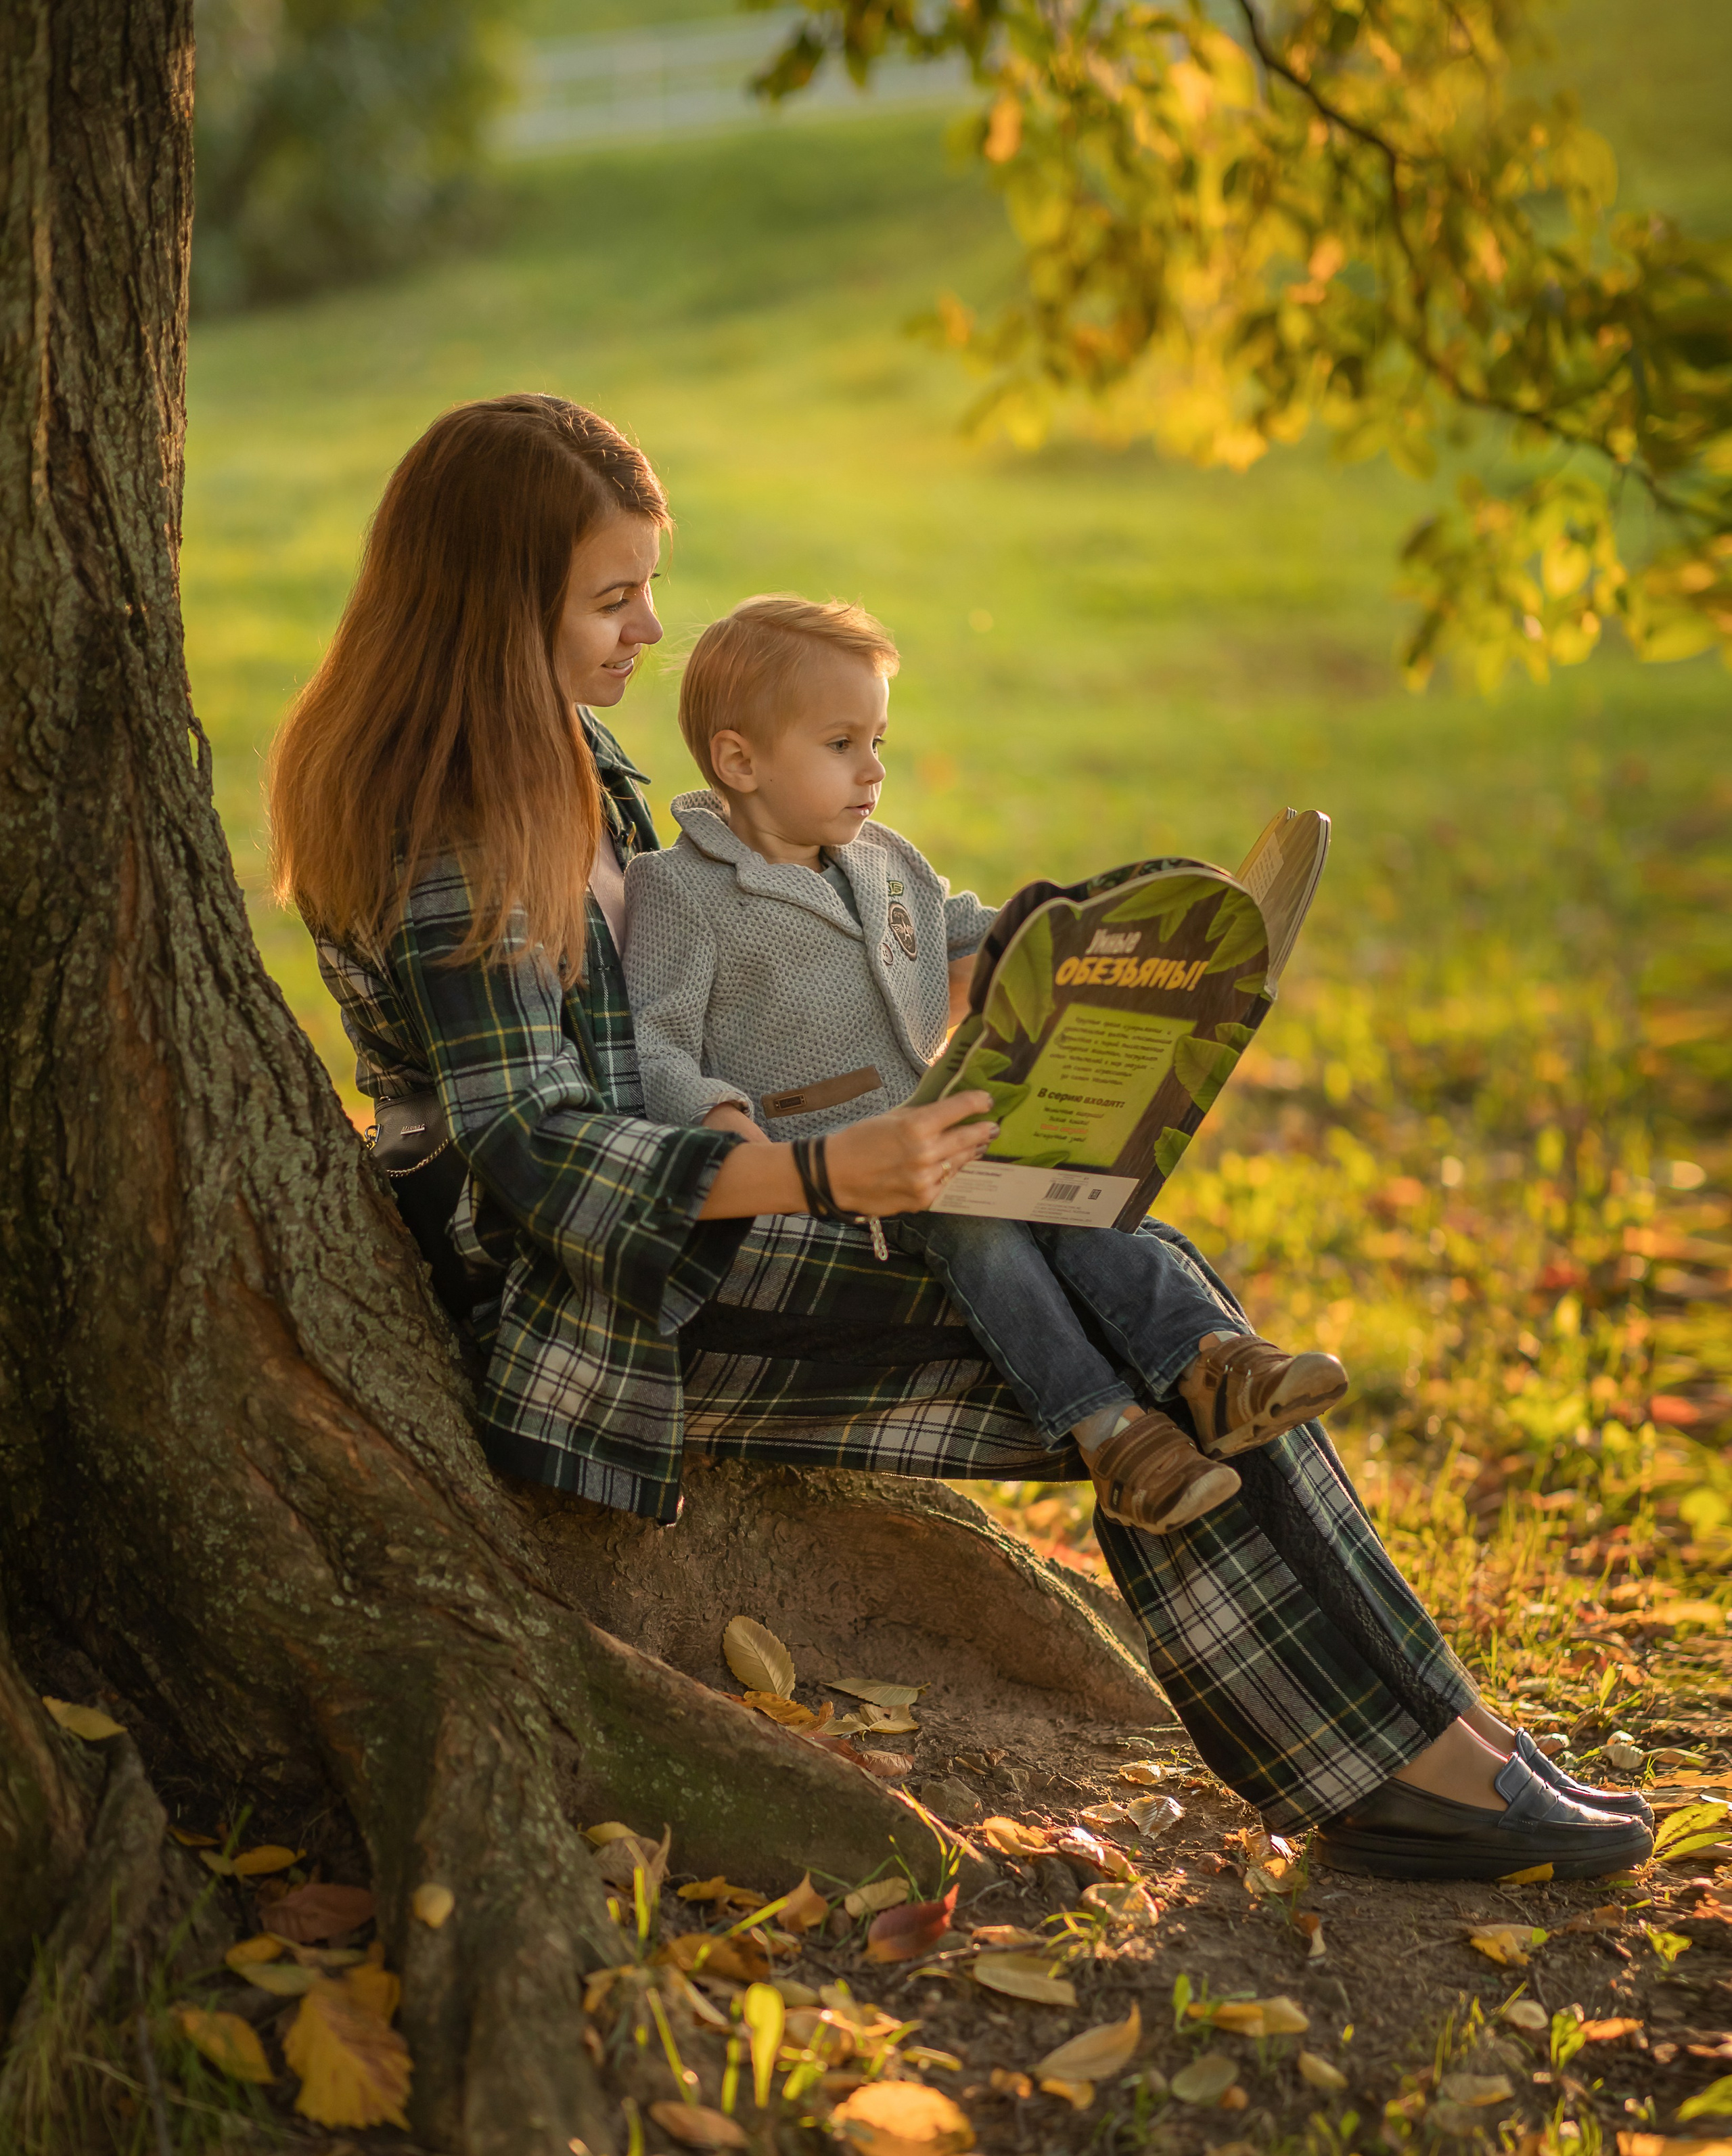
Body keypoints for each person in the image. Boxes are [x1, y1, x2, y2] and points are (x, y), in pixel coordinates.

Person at [267, 390, 1653, 1881]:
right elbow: (526, 1151)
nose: (650, 631)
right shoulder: (443, 833)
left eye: (649, 588)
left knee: (1140, 1288)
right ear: (488, 606)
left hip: (721, 1212)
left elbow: (751, 949)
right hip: (590, 1301)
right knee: (1134, 1341)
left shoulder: (580, 763)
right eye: (612, 598)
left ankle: (1432, 1744)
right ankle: (1409, 1767)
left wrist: (1077, 958)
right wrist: (816, 1171)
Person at [622, 593, 1352, 1535]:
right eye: (842, 744)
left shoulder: (886, 862)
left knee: (1066, 1193)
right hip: (830, 1192)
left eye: (878, 739)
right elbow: (656, 1040)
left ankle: (1213, 1360)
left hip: (947, 1148)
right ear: (740, 761)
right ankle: (1113, 1435)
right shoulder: (683, 893)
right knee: (982, 1232)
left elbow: (993, 934)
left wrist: (1117, 944)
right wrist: (730, 1129)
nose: (874, 770)